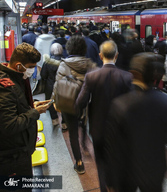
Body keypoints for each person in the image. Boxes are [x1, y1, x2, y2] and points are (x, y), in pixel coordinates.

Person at [104, 53, 167, 192]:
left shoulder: (119, 105)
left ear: (133, 73)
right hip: (154, 169)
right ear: (155, 76)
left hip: (125, 173)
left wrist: (110, 180)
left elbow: (111, 148)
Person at [75, 40, 133, 191]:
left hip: (98, 128)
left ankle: (104, 188)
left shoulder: (91, 76)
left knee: (101, 163)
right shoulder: (127, 77)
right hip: (121, 130)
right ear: (117, 55)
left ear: (100, 56)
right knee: (120, 160)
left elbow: (80, 102)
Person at [0, 43, 51, 185]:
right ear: (18, 66)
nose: (32, 70)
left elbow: (17, 105)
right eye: (30, 67)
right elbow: (9, 125)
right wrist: (35, 112)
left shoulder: (15, 79)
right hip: (12, 156)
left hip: (20, 150)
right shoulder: (5, 88)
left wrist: (32, 104)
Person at [52, 35, 97, 174]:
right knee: (83, 124)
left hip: (69, 103)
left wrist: (55, 102)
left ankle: (79, 162)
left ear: (69, 48)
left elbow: (57, 85)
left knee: (72, 133)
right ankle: (84, 143)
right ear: (84, 49)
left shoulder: (63, 64)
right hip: (85, 103)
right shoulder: (91, 64)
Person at [40, 43, 63, 126]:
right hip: (63, 85)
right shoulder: (65, 61)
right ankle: (64, 123)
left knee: (51, 102)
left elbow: (43, 75)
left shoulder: (47, 62)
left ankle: (54, 119)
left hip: (50, 85)